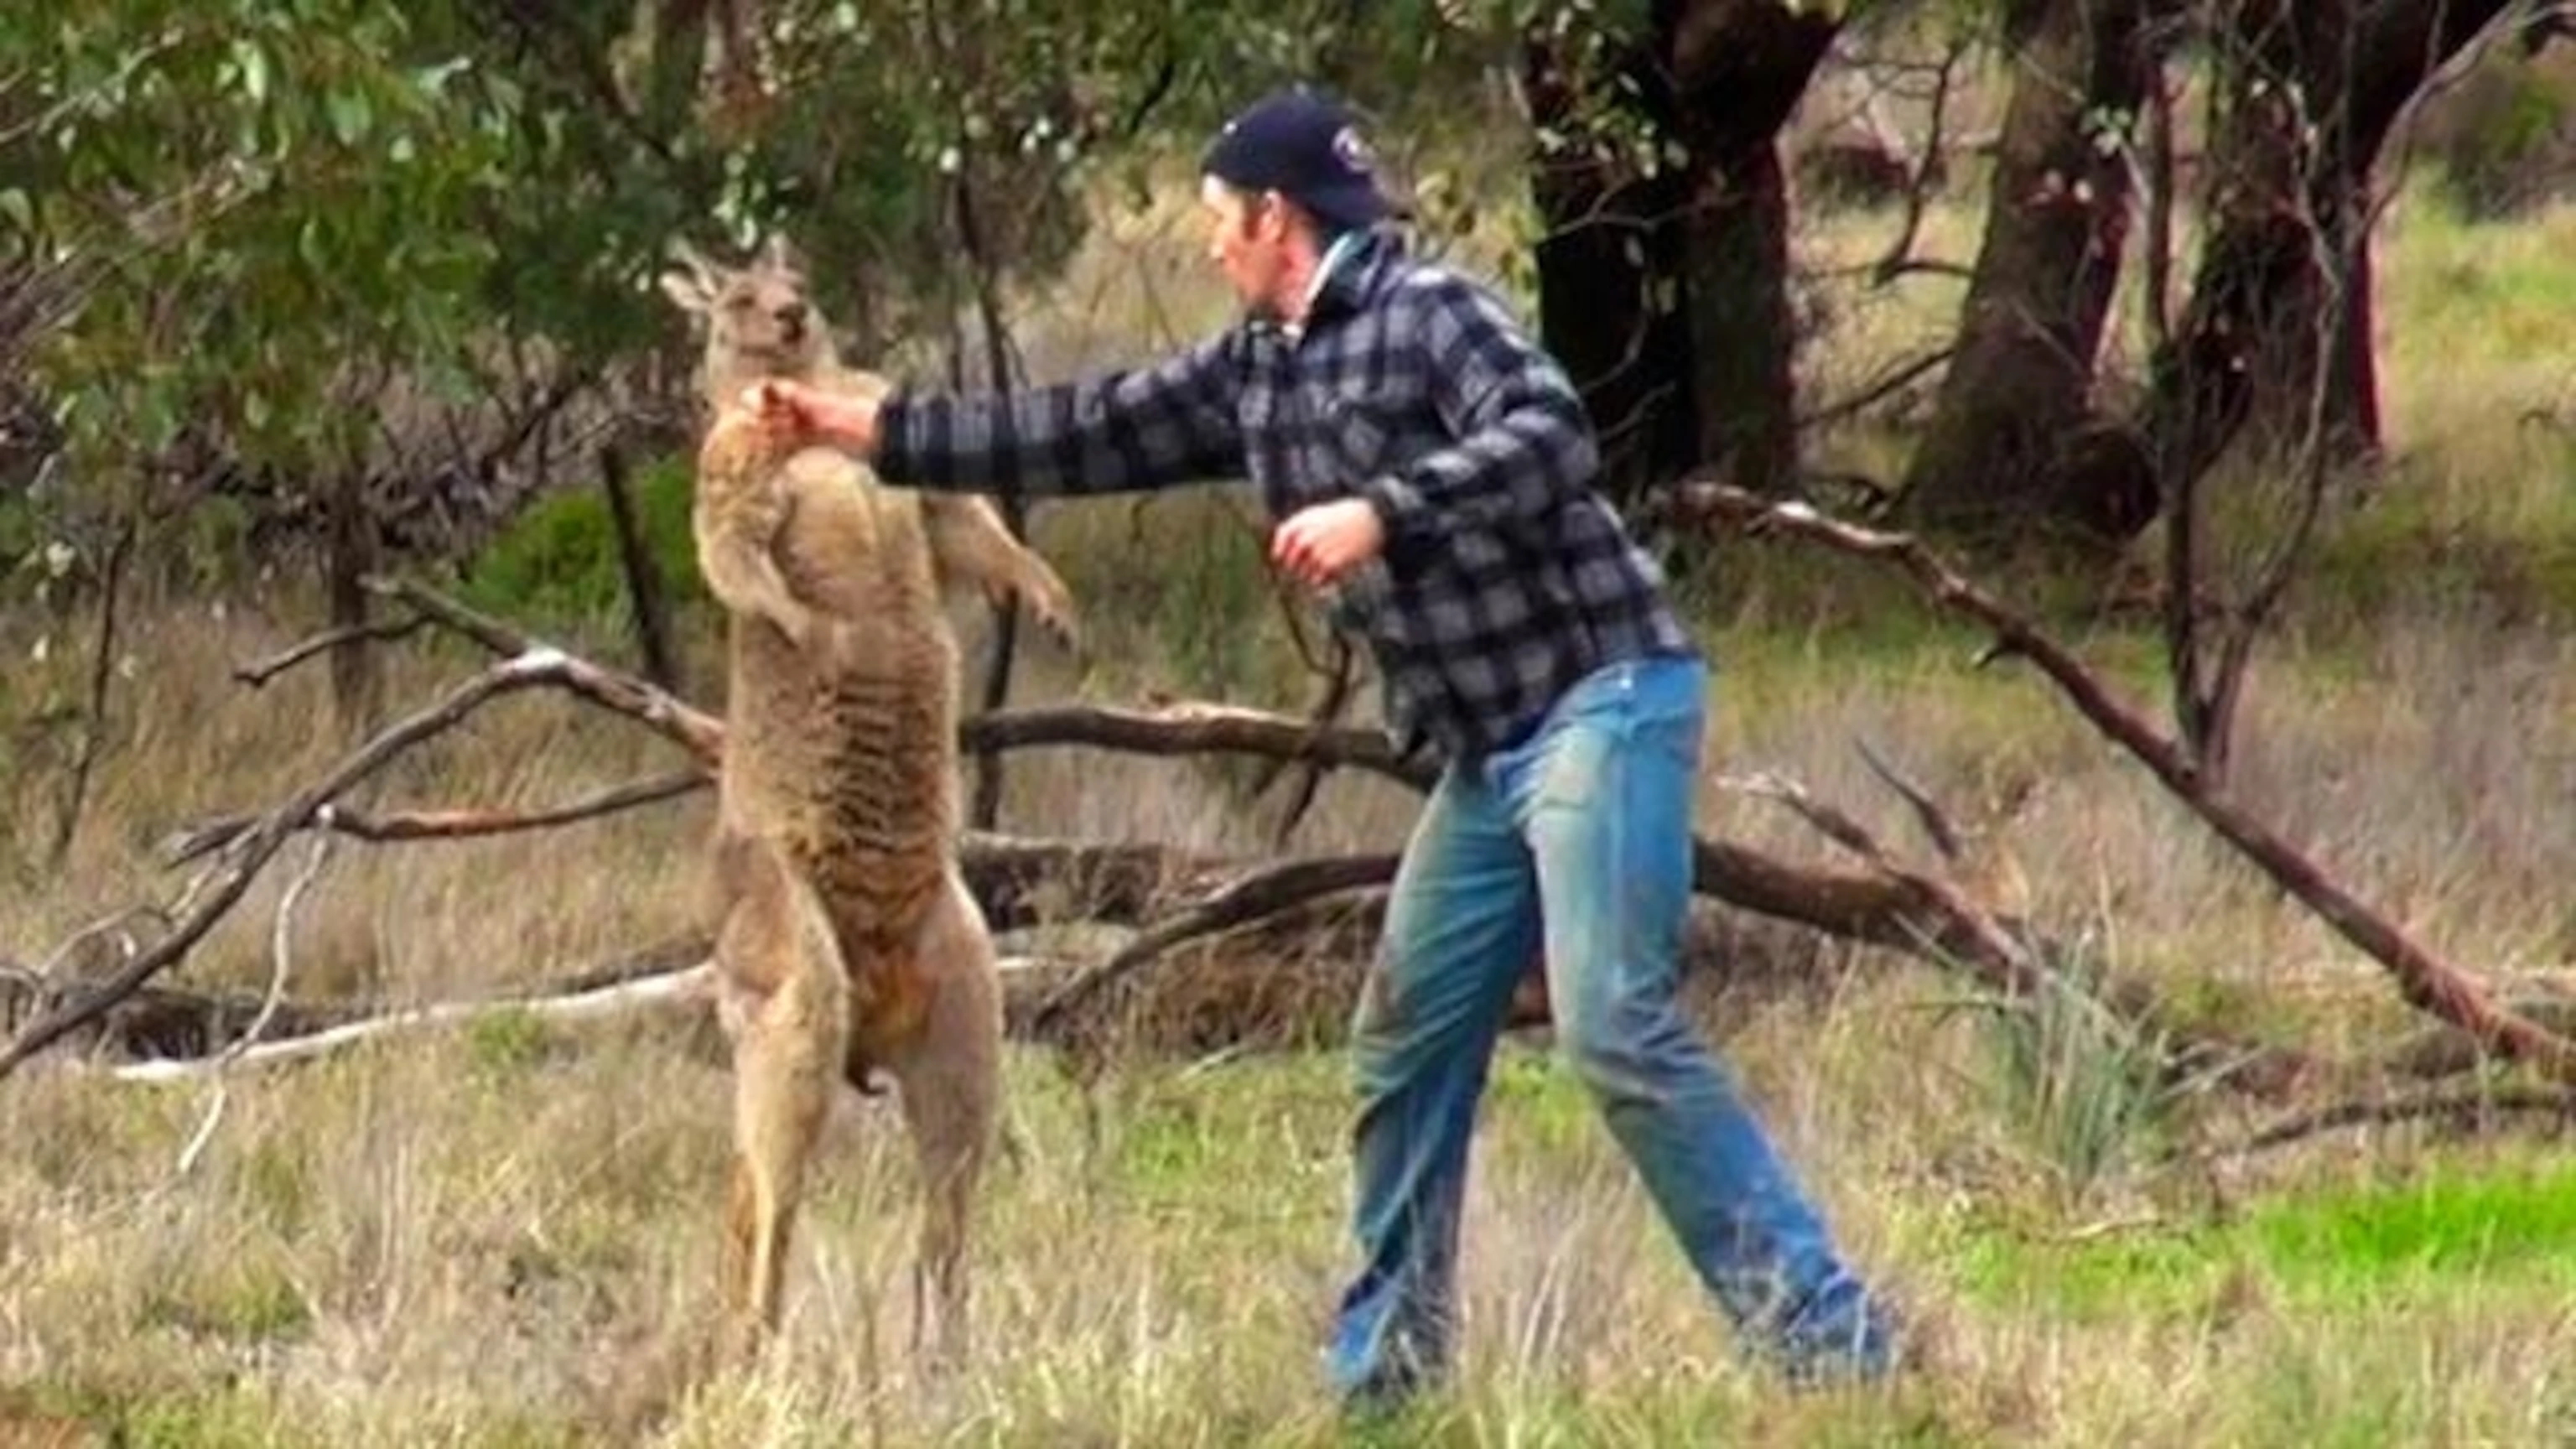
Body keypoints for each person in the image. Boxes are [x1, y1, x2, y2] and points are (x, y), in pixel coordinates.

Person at [750, 85, 1898, 1404]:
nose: (1208, 245)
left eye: (1217, 220)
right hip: (1488, 754)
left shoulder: (1429, 313)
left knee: (1615, 1026)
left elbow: (1551, 437)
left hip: (1602, 701)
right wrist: (857, 428)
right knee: (1405, 1047)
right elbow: (1083, 428)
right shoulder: (1259, 365)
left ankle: (1836, 1352)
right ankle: (1389, 1380)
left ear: (1277, 221)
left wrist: (1383, 513)